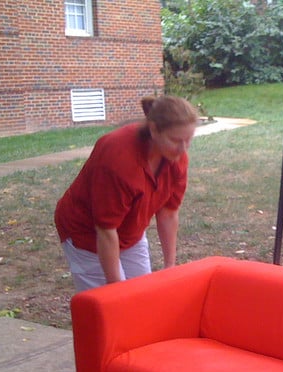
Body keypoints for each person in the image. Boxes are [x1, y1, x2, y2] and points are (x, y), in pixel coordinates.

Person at [55, 95, 200, 291]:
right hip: (86, 233)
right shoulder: (118, 160)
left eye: (188, 140)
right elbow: (106, 230)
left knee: (142, 294)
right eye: (175, 140)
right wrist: (116, 290)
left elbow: (168, 213)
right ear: (154, 129)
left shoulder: (176, 159)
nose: (183, 149)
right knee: (109, 304)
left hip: (130, 231)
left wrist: (170, 266)